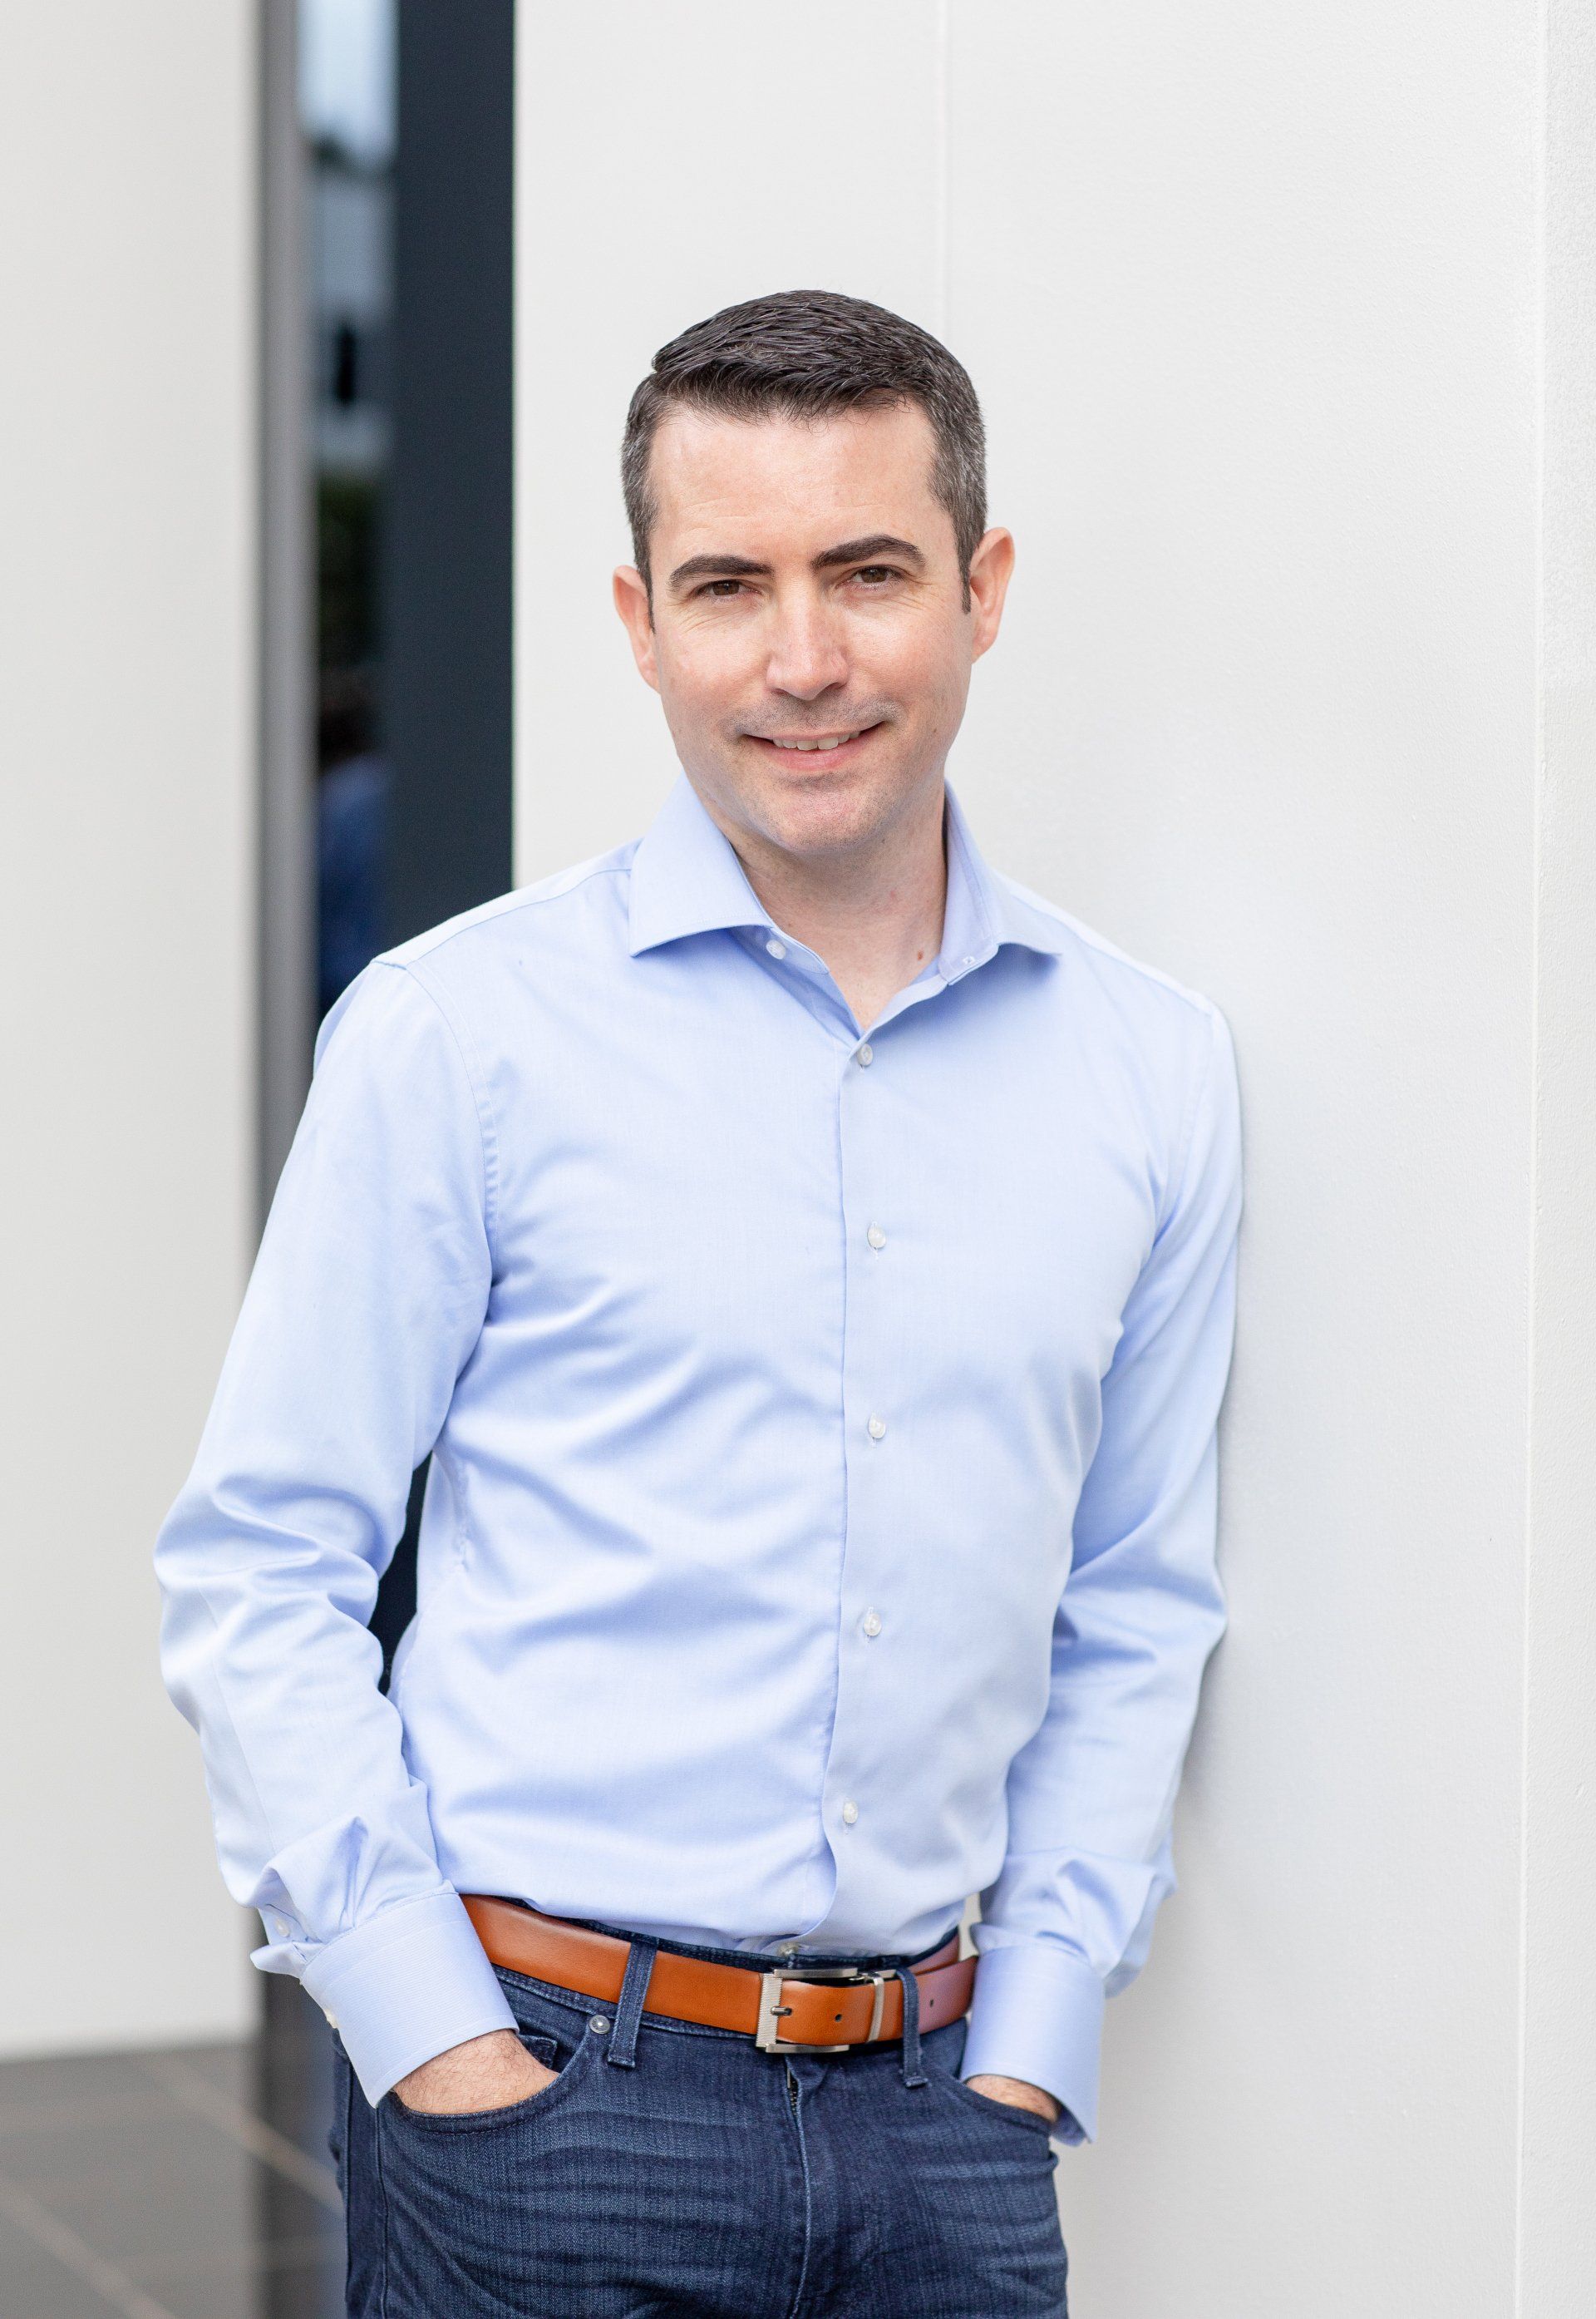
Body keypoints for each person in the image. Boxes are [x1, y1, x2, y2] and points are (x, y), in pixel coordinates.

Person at [156, 289, 1242, 2319]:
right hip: (548, 2098)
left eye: (870, 573)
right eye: (730, 584)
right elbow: (260, 1568)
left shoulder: (1150, 1071)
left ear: (981, 590)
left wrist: (1031, 2048)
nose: (803, 658)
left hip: (951, 2125)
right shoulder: (457, 1038)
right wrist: (435, 2047)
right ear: (642, 620)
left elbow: (1135, 1599)